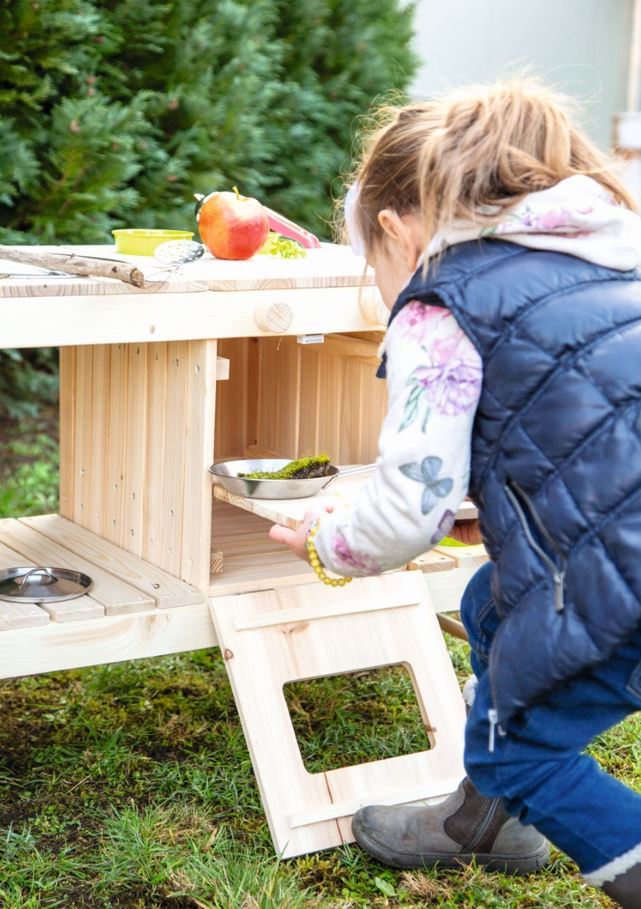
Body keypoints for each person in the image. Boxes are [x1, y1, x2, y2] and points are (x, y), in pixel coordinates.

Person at [268, 79, 641, 908]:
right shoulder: (606, 262)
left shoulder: (441, 307)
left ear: (398, 232)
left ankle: (511, 786)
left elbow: (409, 506)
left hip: (624, 573)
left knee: (527, 757)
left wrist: (331, 541)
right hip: (620, 544)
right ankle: (485, 821)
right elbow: (590, 426)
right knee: (487, 604)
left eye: (372, 261)